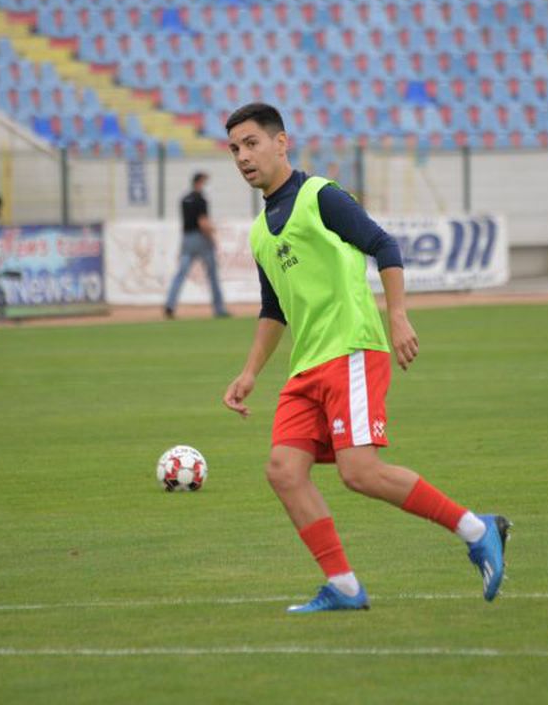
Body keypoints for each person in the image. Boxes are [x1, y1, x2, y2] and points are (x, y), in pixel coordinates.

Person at [220, 103, 509, 613]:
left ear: (281, 142)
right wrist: (248, 373)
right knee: (284, 470)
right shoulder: (261, 232)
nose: (243, 156)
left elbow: (383, 245)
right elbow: (273, 309)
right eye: (234, 149)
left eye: (251, 143)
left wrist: (397, 317)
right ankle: (346, 588)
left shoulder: (320, 196)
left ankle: (476, 528)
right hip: (307, 366)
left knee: (360, 471)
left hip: (351, 350)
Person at [164, 172, 229, 319]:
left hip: (187, 239)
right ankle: (219, 308)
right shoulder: (201, 199)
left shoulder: (184, 199)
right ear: (199, 182)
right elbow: (203, 222)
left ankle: (170, 304)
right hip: (201, 239)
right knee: (212, 275)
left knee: (181, 273)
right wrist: (213, 237)